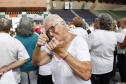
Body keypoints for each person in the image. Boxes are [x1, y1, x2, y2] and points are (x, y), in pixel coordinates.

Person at [32, 14, 91, 84]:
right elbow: (37, 62)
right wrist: (38, 46)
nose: (50, 34)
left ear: (62, 24)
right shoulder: (54, 44)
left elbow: (86, 74)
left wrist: (61, 52)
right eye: (48, 31)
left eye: (52, 28)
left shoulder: (79, 41)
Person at [88, 13, 126, 84]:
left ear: (99, 22)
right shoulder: (114, 34)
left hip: (96, 68)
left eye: (96, 21)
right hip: (108, 66)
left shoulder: (93, 34)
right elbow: (122, 38)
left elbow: (87, 49)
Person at [0, 18, 29, 84]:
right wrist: (7, 68)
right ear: (10, 28)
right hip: (13, 78)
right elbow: (24, 59)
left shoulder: (16, 41)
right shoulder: (16, 41)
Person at [15, 17, 38, 84]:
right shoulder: (36, 37)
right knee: (34, 82)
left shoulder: (16, 38)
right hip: (33, 66)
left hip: (21, 66)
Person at [116, 18, 126, 84]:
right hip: (121, 52)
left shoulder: (124, 31)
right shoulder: (122, 30)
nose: (120, 24)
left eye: (121, 22)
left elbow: (122, 45)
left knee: (123, 68)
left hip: (123, 53)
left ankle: (123, 81)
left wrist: (118, 42)